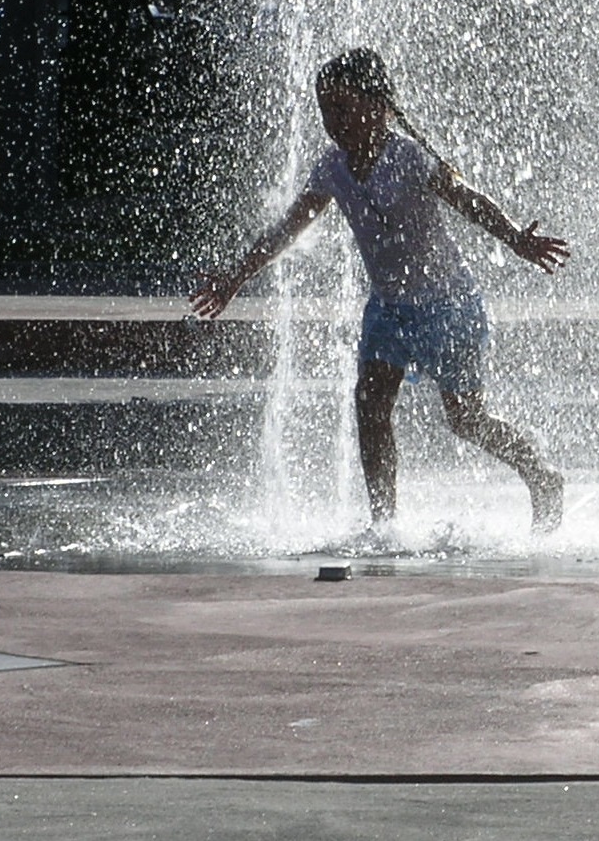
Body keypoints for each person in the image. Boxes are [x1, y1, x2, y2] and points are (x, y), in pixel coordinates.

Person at [191, 46, 568, 536]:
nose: (335, 122)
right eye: (326, 112)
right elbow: (286, 229)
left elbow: (467, 199)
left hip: (448, 306)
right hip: (389, 311)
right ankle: (384, 523)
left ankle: (541, 473)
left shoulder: (408, 157)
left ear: (379, 107)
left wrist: (516, 238)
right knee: (370, 405)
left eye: (343, 108)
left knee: (465, 418)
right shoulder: (332, 169)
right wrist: (234, 277)